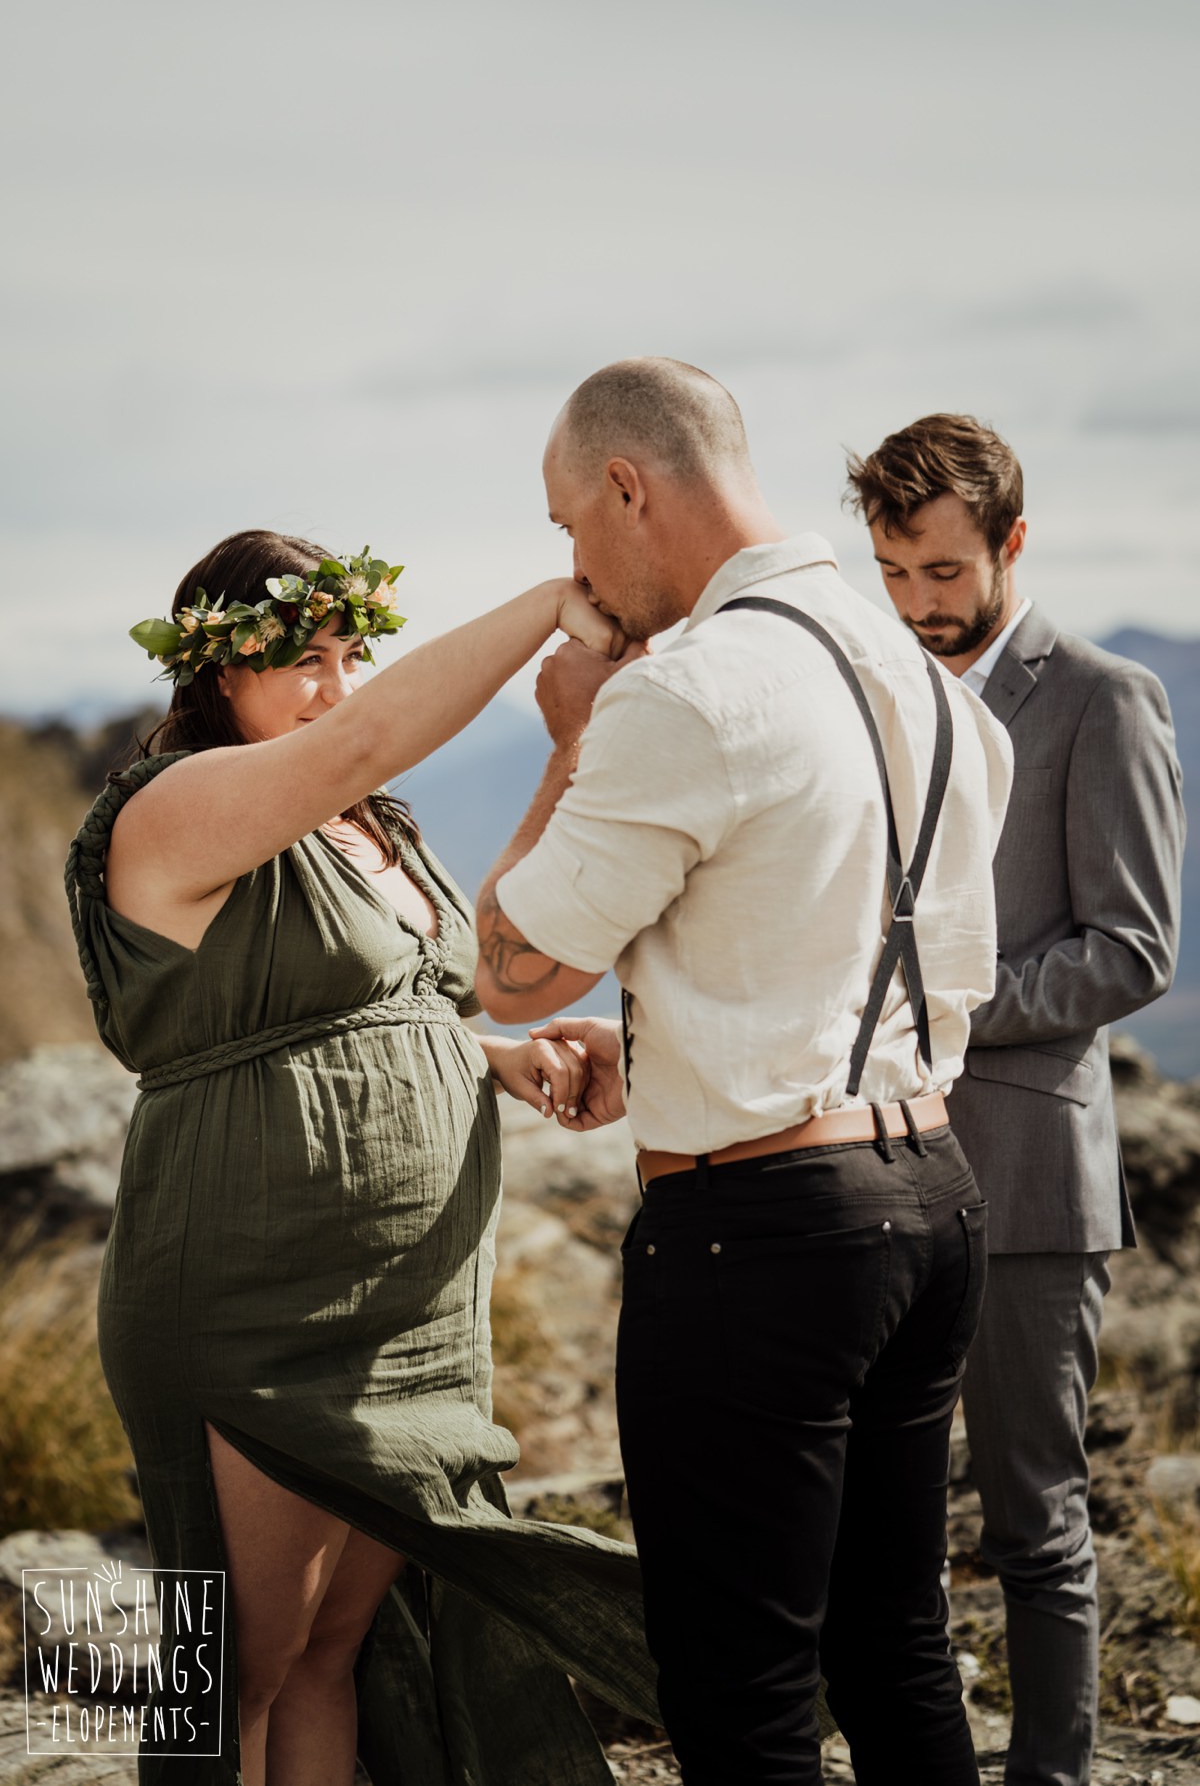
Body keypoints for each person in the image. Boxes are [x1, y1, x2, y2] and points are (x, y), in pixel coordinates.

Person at [472, 357, 1015, 1785]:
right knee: (896, 1651)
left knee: (740, 1692)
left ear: (629, 486)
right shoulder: (932, 678)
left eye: (567, 522)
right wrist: (660, 1045)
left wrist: (578, 733)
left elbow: (511, 968)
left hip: (760, 1239)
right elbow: (869, 961)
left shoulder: (689, 689)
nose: (572, 563)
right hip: (930, 1199)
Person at [65, 530, 662, 1786]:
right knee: (232, 1670)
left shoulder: (367, 826)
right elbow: (357, 740)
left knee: (338, 1656)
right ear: (216, 675)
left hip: (412, 1318)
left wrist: (493, 1058)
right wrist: (552, 605)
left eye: (348, 656)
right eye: (296, 660)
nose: (331, 687)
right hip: (250, 1304)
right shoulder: (173, 807)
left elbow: (440, 993)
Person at [844, 414, 1185, 1786]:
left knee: (1035, 1516)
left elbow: (1136, 944)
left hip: (1033, 1177)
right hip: (874, 1166)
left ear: (1010, 545)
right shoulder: (873, 693)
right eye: (893, 573)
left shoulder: (1103, 697)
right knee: (890, 1514)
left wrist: (951, 1005)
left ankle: (1052, 1772)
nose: (919, 604)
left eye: (941, 572)